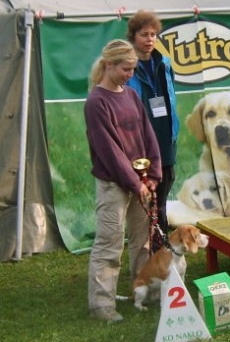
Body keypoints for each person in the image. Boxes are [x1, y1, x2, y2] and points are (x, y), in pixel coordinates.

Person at [85, 39, 162, 323]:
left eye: (133, 69)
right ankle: (102, 305)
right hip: (113, 185)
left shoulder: (131, 95)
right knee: (110, 243)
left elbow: (147, 134)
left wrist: (153, 175)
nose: (130, 74)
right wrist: (136, 183)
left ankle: (143, 293)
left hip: (140, 182)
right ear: (109, 65)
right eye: (126, 69)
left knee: (142, 241)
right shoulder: (96, 102)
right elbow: (110, 151)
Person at [126, 10, 179, 247]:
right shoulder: (126, 67)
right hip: (140, 141)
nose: (149, 39)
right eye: (144, 34)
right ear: (133, 37)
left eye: (153, 34)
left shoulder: (164, 64)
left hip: (165, 138)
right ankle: (148, 245)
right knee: (146, 198)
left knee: (163, 194)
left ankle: (161, 242)